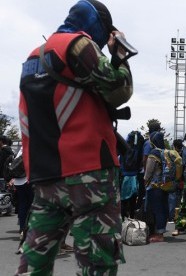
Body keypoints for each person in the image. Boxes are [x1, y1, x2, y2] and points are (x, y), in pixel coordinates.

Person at [16, 0, 132, 274]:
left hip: (45, 177)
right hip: (88, 175)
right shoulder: (78, 45)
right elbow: (119, 89)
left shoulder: (33, 56)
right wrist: (121, 54)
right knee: (97, 261)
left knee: (35, 262)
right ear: (99, 25)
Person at [144, 132, 182, 242]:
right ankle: (160, 230)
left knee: (157, 209)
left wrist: (145, 180)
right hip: (165, 185)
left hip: (154, 186)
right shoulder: (165, 152)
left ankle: (159, 234)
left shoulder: (154, 153)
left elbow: (148, 171)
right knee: (163, 208)